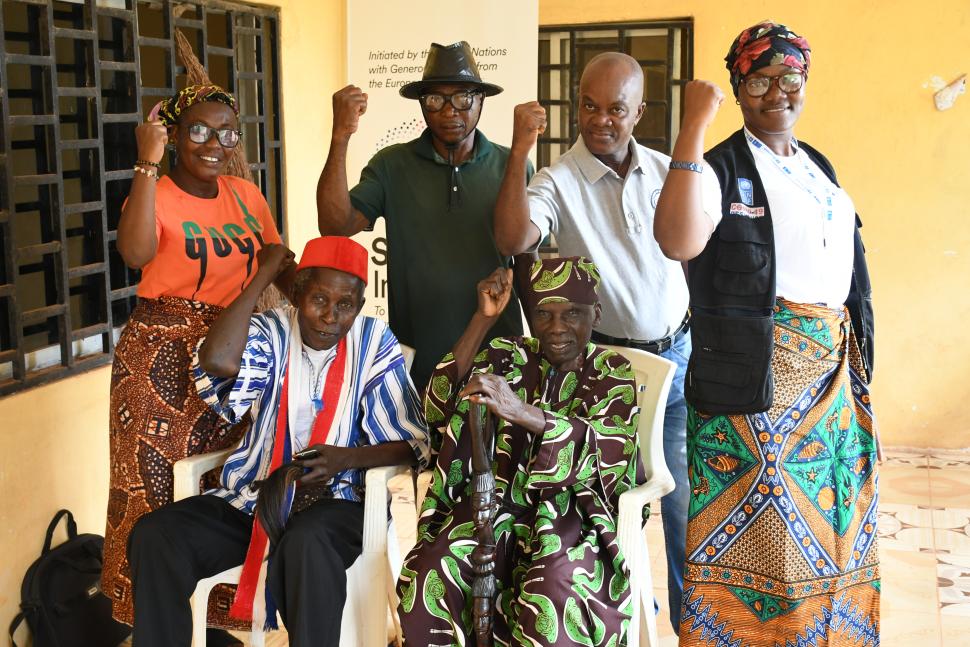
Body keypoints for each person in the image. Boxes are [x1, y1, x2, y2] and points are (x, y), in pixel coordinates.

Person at [652, 22, 878, 645]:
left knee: (831, 520)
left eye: (790, 78)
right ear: (738, 86)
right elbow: (678, 240)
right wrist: (693, 125)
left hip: (831, 374)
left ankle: (830, 634)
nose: (777, 92)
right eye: (759, 79)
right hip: (757, 384)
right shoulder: (720, 164)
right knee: (768, 529)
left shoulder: (815, 164)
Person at [492, 52, 716, 628]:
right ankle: (621, 621)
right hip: (611, 368)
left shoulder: (671, 170)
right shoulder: (555, 181)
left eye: (615, 109)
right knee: (615, 505)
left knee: (685, 500)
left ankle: (688, 628)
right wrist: (519, 149)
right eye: (588, 106)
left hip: (680, 354)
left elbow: (690, 257)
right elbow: (514, 236)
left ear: (639, 110)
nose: (600, 121)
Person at [126, 237, 431, 647]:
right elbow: (217, 361)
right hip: (256, 498)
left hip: (337, 503)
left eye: (345, 305)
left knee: (306, 544)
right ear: (298, 293)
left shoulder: (373, 341)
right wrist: (262, 276)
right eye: (318, 299)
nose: (329, 317)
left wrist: (346, 459)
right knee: (155, 537)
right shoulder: (272, 330)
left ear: (358, 307)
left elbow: (411, 444)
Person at [102, 84, 287, 641]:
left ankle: (214, 622)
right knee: (151, 490)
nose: (215, 144)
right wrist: (146, 162)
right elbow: (135, 255)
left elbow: (277, 263)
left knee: (223, 483)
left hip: (231, 352)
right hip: (158, 357)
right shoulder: (153, 189)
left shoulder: (245, 195)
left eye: (227, 132)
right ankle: (153, 627)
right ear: (176, 134)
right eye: (200, 131)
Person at [399, 257, 645, 646]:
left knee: (552, 588)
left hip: (573, 517)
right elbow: (436, 407)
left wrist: (520, 411)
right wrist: (483, 320)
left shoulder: (612, 370)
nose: (557, 328)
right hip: (494, 504)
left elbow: (606, 452)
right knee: (434, 568)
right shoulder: (507, 353)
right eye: (544, 315)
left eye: (573, 314)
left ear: (595, 315)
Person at [316, 40, 531, 392]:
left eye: (463, 98)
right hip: (417, 357)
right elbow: (335, 226)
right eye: (435, 100)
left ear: (481, 100)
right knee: (421, 447)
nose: (449, 112)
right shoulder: (391, 165)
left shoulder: (512, 164)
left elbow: (525, 260)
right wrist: (340, 136)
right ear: (421, 104)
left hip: (498, 351)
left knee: (497, 447)